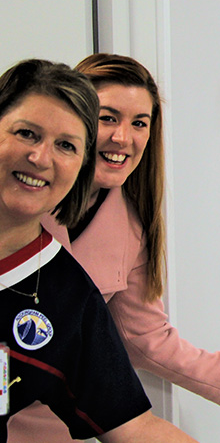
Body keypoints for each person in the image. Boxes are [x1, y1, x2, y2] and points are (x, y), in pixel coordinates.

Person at [7, 54, 220, 442]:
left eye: (139, 123)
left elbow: (145, 341)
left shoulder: (130, 228)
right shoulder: (20, 207)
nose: (123, 138)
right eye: (108, 118)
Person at [0, 59, 195, 442]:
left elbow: (133, 425)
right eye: (26, 133)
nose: (41, 158)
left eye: (66, 146)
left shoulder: (68, 296)